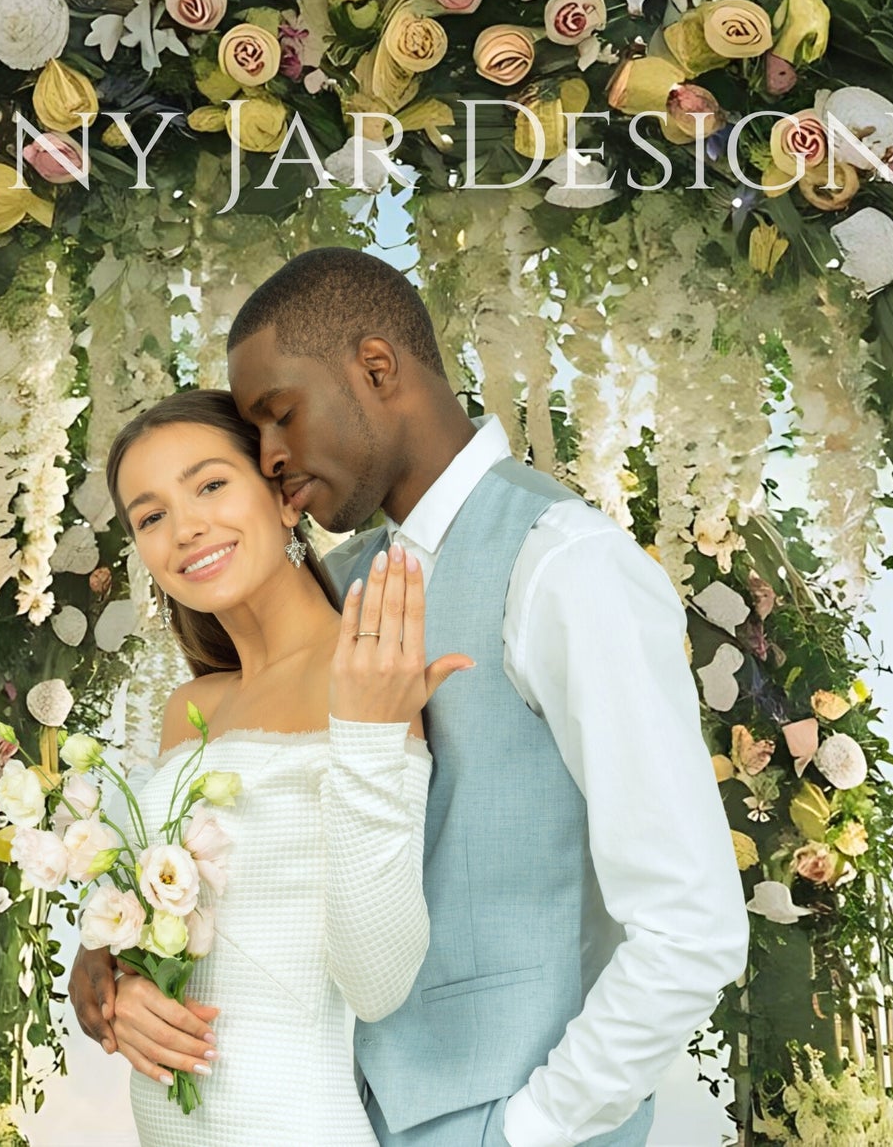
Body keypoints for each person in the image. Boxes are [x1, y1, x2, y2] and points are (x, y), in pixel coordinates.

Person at [74, 247, 750, 1147]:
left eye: (279, 418)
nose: (271, 460)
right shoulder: (338, 588)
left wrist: (529, 1129)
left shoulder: (563, 566)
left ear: (375, 368)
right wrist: (109, 960)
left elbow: (688, 925)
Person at [100, 388, 473, 1145]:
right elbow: (175, 929)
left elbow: (376, 983)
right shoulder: (188, 706)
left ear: (281, 497)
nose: (186, 526)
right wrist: (121, 985)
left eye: (209, 484)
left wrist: (369, 740)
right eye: (150, 515)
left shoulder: (362, 672)